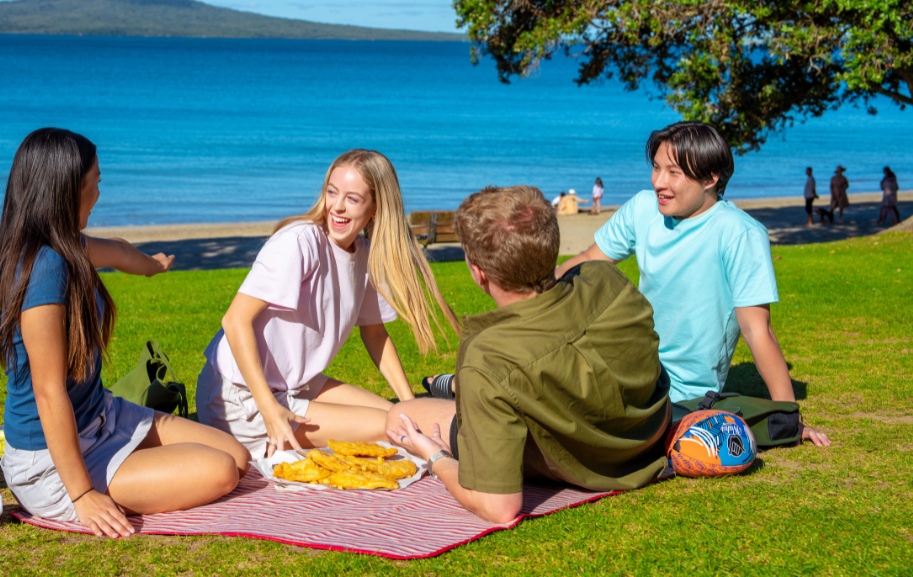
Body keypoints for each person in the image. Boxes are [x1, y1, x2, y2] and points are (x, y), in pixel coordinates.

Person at [422, 122, 829, 446]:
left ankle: (464, 387)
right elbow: (585, 263)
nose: (659, 182)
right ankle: (468, 382)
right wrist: (527, 288)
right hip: (624, 356)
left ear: (710, 178)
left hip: (675, 390)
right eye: (655, 167)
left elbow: (757, 330)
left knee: (550, 413)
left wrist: (787, 420)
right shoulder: (643, 210)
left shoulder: (739, 233)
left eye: (674, 172)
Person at [0, 128, 249, 538]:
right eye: (95, 184)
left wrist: (153, 265)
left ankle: (133, 467)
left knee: (237, 455)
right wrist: (82, 494)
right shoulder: (43, 269)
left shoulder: (68, 246)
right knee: (222, 472)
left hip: (102, 416)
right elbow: (48, 391)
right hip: (51, 462)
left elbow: (121, 251)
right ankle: (94, 484)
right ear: (67, 190)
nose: (99, 195)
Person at [386, 186, 671, 524]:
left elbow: (499, 508)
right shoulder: (604, 278)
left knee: (399, 416)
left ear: (478, 273)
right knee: (498, 383)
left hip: (592, 461)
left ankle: (460, 392)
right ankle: (457, 388)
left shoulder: (488, 357)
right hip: (648, 432)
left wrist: (435, 457)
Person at [196, 149, 460, 459]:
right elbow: (234, 321)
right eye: (332, 192)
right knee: (392, 428)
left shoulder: (364, 255)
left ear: (376, 207)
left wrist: (409, 404)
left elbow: (374, 335)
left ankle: (474, 438)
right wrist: (269, 410)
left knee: (403, 418)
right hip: (241, 398)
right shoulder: (299, 243)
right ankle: (474, 457)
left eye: (352, 199)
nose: (336, 206)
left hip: (296, 384)